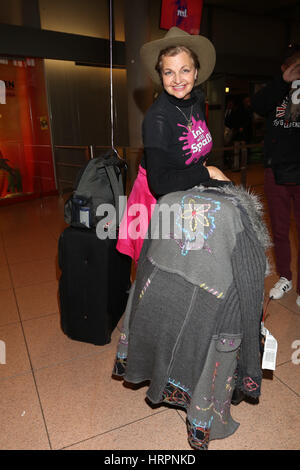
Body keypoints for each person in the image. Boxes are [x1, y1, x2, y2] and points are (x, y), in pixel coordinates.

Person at [116, 27, 230, 266]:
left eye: (185, 70)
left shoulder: (196, 101)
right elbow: (160, 183)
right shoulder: (157, 119)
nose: (177, 80)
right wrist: (208, 172)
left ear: (196, 72)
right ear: (161, 76)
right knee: (160, 281)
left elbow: (193, 151)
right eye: (169, 72)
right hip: (157, 205)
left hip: (185, 193)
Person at [252, 44, 300, 306]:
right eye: (289, 64)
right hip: (276, 169)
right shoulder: (275, 87)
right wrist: (283, 81)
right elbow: (258, 105)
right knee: (279, 231)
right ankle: (285, 276)